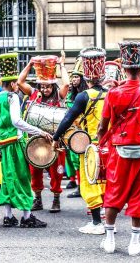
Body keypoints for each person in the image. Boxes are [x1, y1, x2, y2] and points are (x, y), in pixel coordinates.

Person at [97, 42, 140, 255]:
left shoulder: (113, 94)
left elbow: (102, 127)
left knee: (114, 193)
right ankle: (134, 243)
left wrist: (101, 145)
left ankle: (109, 240)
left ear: (124, 69)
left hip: (118, 150)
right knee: (139, 195)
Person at [0, 52, 48, 228]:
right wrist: (39, 131)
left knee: (7, 178)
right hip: (16, 142)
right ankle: (27, 216)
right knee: (22, 177)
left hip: (4, 145)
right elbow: (16, 121)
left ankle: (8, 216)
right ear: (13, 83)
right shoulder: (12, 97)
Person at [52, 47, 107, 234]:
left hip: (90, 146)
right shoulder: (110, 94)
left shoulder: (84, 96)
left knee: (90, 183)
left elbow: (67, 119)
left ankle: (97, 223)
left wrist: (55, 137)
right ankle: (109, 223)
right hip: (108, 146)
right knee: (106, 183)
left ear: (87, 76)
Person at [18, 53, 69, 213]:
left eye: (48, 86)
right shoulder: (34, 94)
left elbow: (67, 84)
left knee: (56, 172)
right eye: (43, 86)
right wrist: (30, 64)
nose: (45, 89)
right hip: (37, 141)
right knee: (35, 172)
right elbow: (20, 82)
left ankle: (56, 199)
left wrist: (61, 65)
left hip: (55, 142)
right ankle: (38, 199)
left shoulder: (59, 95)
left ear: (53, 86)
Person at [65, 57, 87, 198]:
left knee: (81, 158)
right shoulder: (71, 94)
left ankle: (82, 186)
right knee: (72, 158)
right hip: (71, 130)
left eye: (76, 77)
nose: (73, 80)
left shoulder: (85, 94)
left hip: (83, 131)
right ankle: (76, 183)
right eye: (72, 77)